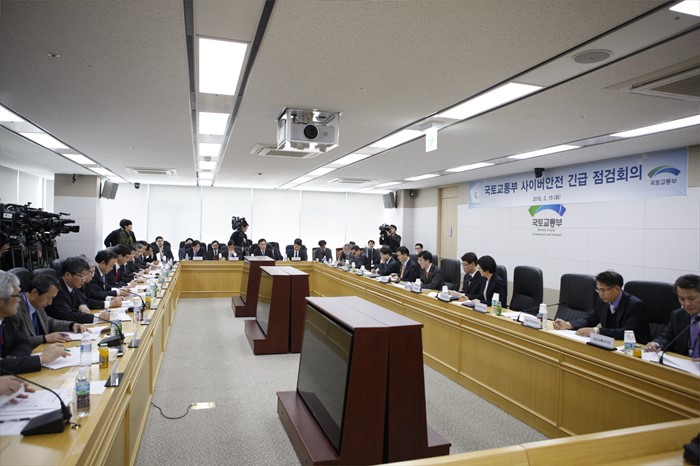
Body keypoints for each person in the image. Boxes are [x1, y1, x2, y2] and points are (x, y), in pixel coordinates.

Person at [553, 270, 651, 343]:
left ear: (617, 289)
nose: (600, 294)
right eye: (598, 290)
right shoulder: (602, 301)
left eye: (603, 290)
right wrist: (568, 325)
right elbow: (590, 320)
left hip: (635, 349)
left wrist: (596, 331)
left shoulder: (635, 305)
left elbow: (626, 332)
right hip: (611, 344)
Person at [0, 270, 68, 374]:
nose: (19, 299)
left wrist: (13, 360)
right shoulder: (12, 315)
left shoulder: (5, 320)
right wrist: (41, 359)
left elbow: (23, 343)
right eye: (17, 295)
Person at [13, 274, 87, 348]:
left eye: (52, 298)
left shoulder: (37, 303)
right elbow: (17, 342)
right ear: (34, 292)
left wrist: (71, 325)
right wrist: (44, 338)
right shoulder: (15, 310)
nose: (50, 303)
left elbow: (48, 322)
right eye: (48, 298)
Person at [645, 274, 700, 357]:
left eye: (691, 298)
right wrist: (656, 343)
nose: (686, 304)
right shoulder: (678, 315)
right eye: (682, 299)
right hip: (683, 362)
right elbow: (666, 337)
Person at [45, 257, 110, 325]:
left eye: (85, 275)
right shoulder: (57, 290)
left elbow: (84, 299)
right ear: (67, 275)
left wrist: (82, 304)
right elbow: (66, 315)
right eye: (81, 276)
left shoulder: (73, 284)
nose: (84, 279)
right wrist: (97, 318)